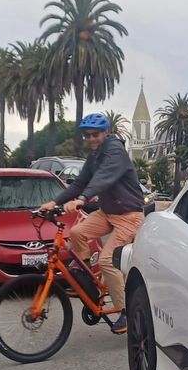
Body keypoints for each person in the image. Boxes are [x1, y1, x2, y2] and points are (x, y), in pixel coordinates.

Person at [39, 113, 146, 334]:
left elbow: (103, 178)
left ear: (105, 132)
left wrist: (82, 199)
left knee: (107, 260)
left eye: (95, 134)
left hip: (129, 216)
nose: (91, 139)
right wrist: (55, 201)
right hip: (108, 212)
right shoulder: (95, 156)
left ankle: (124, 313)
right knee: (77, 232)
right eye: (87, 135)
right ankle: (86, 277)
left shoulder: (115, 151)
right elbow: (80, 182)